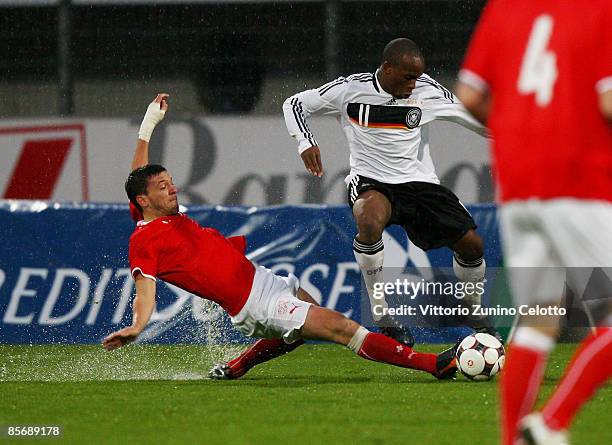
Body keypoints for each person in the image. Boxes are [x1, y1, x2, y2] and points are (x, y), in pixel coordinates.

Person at [102, 93, 459, 382]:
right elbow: (144, 294)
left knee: (306, 319)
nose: (172, 188)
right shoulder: (144, 241)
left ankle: (238, 366)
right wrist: (136, 326)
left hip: (260, 278)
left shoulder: (156, 209)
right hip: (253, 304)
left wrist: (149, 124)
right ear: (144, 201)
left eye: (170, 181)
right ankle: (432, 364)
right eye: (162, 187)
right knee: (340, 326)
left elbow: (138, 175)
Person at [456, 1, 612, 444]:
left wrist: (514, 133)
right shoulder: (599, 10)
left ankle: (513, 440)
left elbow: (469, 95)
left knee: (538, 320)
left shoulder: (504, 9)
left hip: (520, 184)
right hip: (579, 182)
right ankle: (551, 422)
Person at [282, 38, 499, 346]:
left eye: (417, 76)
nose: (414, 84)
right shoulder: (349, 89)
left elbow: (477, 120)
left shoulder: (428, 91)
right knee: (368, 220)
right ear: (387, 68)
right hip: (372, 181)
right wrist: (305, 141)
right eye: (408, 77)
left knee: (472, 245)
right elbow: (294, 103)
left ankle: (475, 313)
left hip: (420, 184)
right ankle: (382, 313)